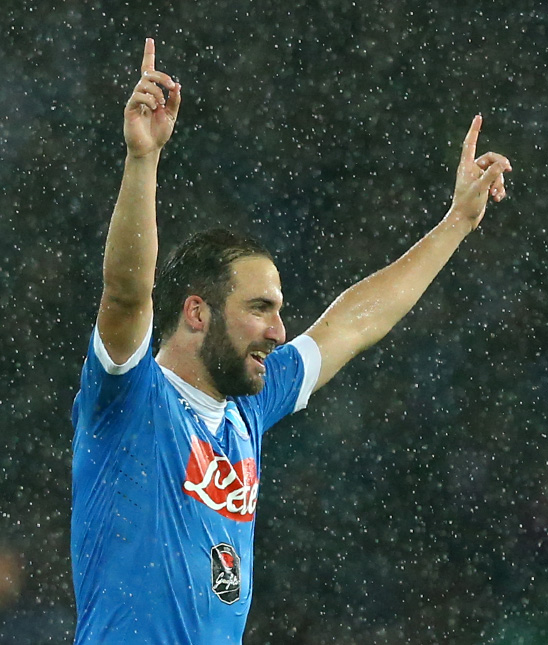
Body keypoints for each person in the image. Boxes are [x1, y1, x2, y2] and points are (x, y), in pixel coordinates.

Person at [70, 38, 512, 644]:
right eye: (259, 309)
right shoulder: (129, 398)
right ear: (197, 313)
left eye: (278, 312)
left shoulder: (248, 405)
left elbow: (353, 322)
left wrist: (456, 223)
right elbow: (126, 294)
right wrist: (142, 159)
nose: (279, 332)